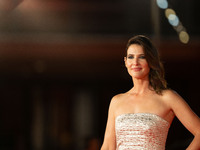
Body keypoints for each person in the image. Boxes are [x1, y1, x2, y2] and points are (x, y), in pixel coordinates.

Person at [101, 35, 200, 150]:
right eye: (131, 57)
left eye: (142, 57)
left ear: (151, 60)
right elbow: (108, 146)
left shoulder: (167, 97)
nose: (135, 62)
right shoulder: (116, 101)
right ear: (125, 61)